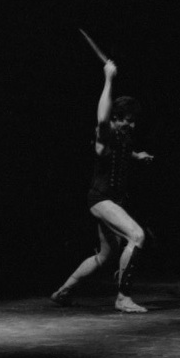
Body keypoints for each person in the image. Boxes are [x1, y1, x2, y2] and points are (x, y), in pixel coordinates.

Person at [51, 60, 154, 313]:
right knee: (137, 236)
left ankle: (63, 291)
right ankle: (123, 298)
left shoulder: (122, 137)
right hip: (101, 199)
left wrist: (137, 155)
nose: (132, 125)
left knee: (106, 256)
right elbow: (101, 118)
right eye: (128, 121)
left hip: (111, 200)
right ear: (116, 118)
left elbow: (121, 151)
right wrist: (108, 77)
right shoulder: (105, 134)